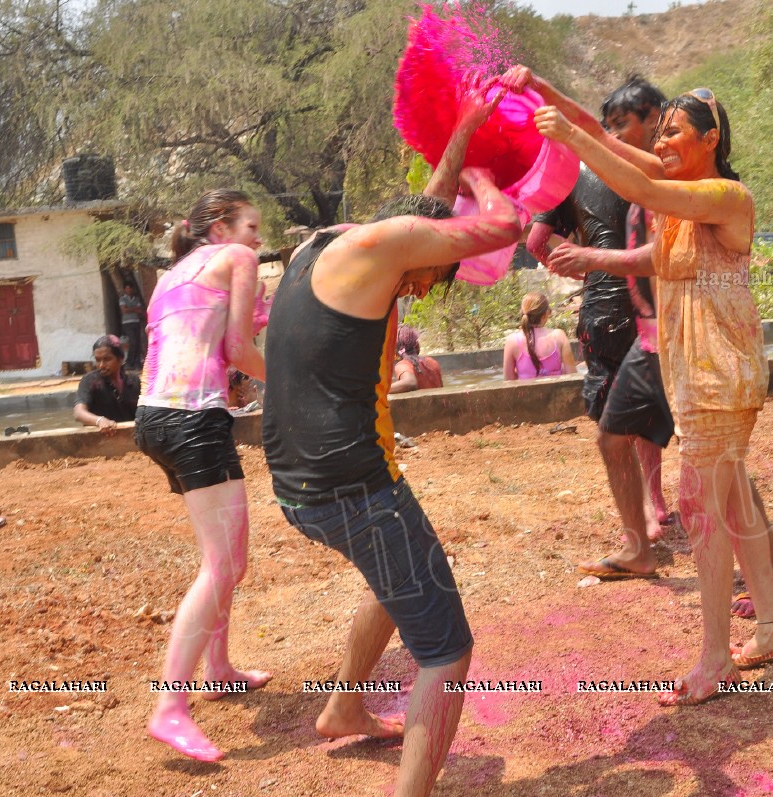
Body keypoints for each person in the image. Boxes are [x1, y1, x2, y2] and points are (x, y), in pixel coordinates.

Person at [504, 66, 773, 705]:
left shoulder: (723, 196)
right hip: (695, 370)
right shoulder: (675, 187)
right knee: (731, 498)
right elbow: (603, 140)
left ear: (712, 137)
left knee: (699, 507)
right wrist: (541, 91)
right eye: (659, 133)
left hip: (722, 373)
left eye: (675, 132)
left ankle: (714, 657)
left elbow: (628, 177)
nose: (662, 143)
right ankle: (771, 627)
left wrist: (571, 142)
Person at [261, 86, 521, 797]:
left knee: (393, 579)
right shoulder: (387, 247)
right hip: (355, 488)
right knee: (446, 650)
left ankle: (343, 706)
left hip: (299, 485)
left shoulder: (335, 244)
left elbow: (422, 214)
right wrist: (487, 173)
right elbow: (504, 224)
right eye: (431, 278)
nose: (423, 291)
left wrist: (465, 126)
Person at [134, 189, 272, 762]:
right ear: (219, 228)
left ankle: (217, 668)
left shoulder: (172, 274)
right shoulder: (235, 260)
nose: (258, 241)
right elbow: (240, 348)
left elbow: (200, 348)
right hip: (193, 421)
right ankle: (169, 706)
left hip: (155, 419)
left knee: (227, 561)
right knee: (222, 565)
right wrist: (294, 383)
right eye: (251, 227)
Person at [527, 75, 677, 557]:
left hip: (603, 305)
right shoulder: (659, 170)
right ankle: (653, 504)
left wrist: (577, 262)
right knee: (640, 410)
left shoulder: (578, 168)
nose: (614, 135)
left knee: (617, 413)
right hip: (649, 305)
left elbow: (533, 240)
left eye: (620, 125)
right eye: (610, 126)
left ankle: (644, 519)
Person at [73, 334, 140, 435]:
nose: (101, 365)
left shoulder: (133, 381)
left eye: (107, 359)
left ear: (121, 359)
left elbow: (145, 411)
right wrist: (99, 420)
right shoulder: (89, 381)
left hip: (130, 438)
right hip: (102, 440)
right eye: (98, 360)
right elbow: (79, 413)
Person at [503, 292, 576, 379]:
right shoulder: (559, 336)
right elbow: (572, 376)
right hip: (555, 392)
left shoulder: (512, 341)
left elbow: (508, 381)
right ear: (546, 314)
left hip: (526, 392)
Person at [391, 324, 443, 393]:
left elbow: (410, 383)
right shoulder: (432, 362)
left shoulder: (403, 365)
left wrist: (380, 391)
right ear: (417, 345)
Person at [119, 282, 147, 369]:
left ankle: (137, 363)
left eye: (130, 288)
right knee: (133, 342)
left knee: (137, 343)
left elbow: (139, 310)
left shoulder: (136, 299)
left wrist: (130, 309)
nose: (129, 290)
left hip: (136, 322)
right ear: (125, 290)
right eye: (127, 288)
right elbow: (124, 310)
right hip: (127, 323)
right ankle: (129, 362)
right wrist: (134, 309)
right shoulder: (122, 299)